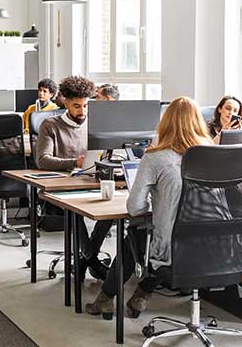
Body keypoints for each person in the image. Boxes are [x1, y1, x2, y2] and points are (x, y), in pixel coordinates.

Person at [86, 96, 213, 319]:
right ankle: (141, 295)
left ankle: (106, 299)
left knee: (136, 235)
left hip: (172, 250)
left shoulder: (155, 157)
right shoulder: (216, 155)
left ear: (165, 123)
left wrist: (157, 206)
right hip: (215, 247)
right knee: (156, 236)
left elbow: (135, 208)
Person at [35, 76, 110, 280]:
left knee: (113, 211)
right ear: (65, 102)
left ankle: (86, 259)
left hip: (90, 181)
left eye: (86, 106)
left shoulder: (94, 123)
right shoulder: (50, 125)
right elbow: (43, 160)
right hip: (60, 187)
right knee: (74, 211)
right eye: (77, 106)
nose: (82, 111)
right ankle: (92, 260)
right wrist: (74, 163)